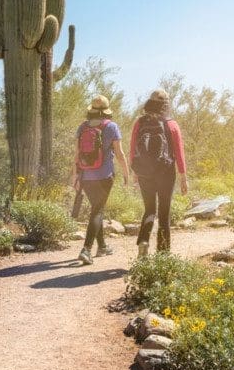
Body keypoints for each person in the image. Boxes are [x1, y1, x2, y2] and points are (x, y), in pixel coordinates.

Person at [129, 88, 188, 257]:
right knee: (164, 213)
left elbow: (133, 148)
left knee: (149, 210)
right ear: (165, 104)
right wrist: (183, 176)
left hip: (144, 173)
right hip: (166, 173)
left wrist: (136, 171)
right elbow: (179, 153)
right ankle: (163, 255)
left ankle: (143, 242)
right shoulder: (172, 124)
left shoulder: (139, 123)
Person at [74, 95, 129, 265]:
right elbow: (119, 154)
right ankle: (86, 249)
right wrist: (127, 173)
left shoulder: (82, 127)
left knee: (96, 210)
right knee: (97, 211)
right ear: (106, 111)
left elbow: (76, 155)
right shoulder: (111, 127)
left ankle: (102, 246)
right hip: (104, 176)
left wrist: (75, 176)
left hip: (85, 176)